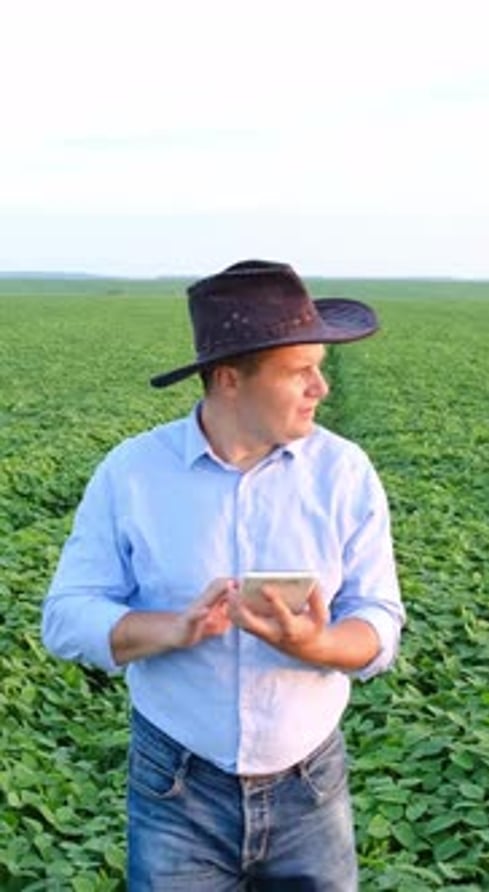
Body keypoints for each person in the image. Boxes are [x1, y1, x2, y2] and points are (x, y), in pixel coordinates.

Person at [42, 259, 405, 891]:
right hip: (175, 784)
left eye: (320, 366)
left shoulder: (344, 473)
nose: (322, 387)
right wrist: (174, 628)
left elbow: (378, 616)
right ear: (231, 380)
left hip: (311, 783)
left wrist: (315, 645)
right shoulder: (132, 474)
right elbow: (67, 616)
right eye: (301, 371)